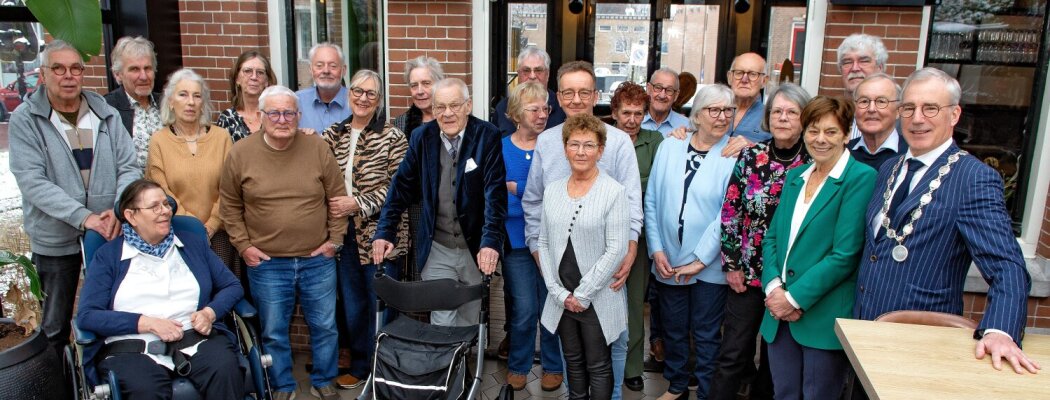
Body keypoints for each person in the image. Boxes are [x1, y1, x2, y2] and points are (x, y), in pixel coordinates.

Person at [855, 68, 1039, 374]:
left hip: (921, 342)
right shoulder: (889, 168)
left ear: (954, 115)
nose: (917, 118)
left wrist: (1000, 330)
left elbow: (1007, 265)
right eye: (909, 108)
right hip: (864, 330)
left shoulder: (973, 179)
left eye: (930, 108)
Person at [9, 40, 140, 360]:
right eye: (59, 68)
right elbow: (32, 181)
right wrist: (83, 216)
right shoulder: (26, 119)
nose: (68, 76)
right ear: (43, 74)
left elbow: (129, 166)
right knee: (55, 324)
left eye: (76, 68)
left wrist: (117, 210)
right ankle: (58, 385)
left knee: (115, 308)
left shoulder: (104, 113)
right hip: (55, 238)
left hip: (108, 230)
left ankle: (106, 378)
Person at [219, 85, 348, 400]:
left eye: (289, 112)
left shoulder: (317, 149)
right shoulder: (240, 153)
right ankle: (282, 385)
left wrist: (334, 240)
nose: (282, 119)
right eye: (274, 113)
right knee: (274, 332)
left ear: (298, 115)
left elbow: (337, 198)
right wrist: (244, 246)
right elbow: (229, 207)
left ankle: (323, 379)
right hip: (267, 263)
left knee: (325, 327)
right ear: (261, 117)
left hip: (317, 259)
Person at [522, 60, 641, 396]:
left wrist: (630, 248)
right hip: (560, 267)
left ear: (595, 94)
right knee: (570, 343)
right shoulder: (547, 142)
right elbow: (533, 201)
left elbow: (632, 200)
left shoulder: (617, 142)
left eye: (583, 92)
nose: (576, 99)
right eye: (568, 92)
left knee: (612, 339)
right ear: (558, 97)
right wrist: (537, 250)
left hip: (607, 262)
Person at [76, 180, 245, 399]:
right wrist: (147, 323)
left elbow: (232, 286)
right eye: (154, 207)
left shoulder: (192, 244)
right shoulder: (108, 256)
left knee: (224, 369)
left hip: (195, 337)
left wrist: (209, 313)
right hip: (134, 347)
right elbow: (88, 316)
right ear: (131, 215)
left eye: (166, 204)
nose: (165, 211)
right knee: (145, 389)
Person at [759, 96, 876, 400]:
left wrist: (794, 299)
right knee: (783, 393)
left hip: (821, 315)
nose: (820, 139)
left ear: (847, 134)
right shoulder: (795, 176)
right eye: (813, 130)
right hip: (778, 313)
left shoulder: (860, 178)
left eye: (831, 131)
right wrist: (774, 289)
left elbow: (845, 254)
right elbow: (771, 238)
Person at [372, 78, 507, 327]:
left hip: (473, 248)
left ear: (468, 106)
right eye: (440, 107)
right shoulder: (422, 137)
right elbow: (400, 187)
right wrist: (385, 231)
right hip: (437, 248)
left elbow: (494, 195)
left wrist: (490, 243)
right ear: (432, 110)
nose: (447, 113)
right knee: (443, 321)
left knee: (469, 322)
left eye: (454, 105)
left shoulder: (486, 135)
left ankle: (462, 366)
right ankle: (445, 367)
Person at [710, 83, 813, 400]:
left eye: (791, 112)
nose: (783, 118)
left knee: (775, 359)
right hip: (749, 273)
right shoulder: (752, 156)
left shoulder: (814, 163)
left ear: (804, 118)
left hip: (790, 278)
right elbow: (730, 211)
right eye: (777, 111)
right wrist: (731, 264)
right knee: (733, 351)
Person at [645, 84, 739, 400]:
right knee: (672, 329)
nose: (723, 116)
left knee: (707, 333)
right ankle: (676, 386)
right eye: (714, 110)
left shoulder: (735, 154)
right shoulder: (670, 146)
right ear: (697, 115)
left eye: (728, 110)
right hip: (669, 260)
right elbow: (652, 201)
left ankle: (706, 392)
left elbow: (728, 213)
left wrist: (700, 259)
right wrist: (656, 249)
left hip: (709, 266)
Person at [320, 69, 410, 389]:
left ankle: (386, 370)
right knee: (354, 304)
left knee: (382, 306)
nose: (363, 98)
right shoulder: (332, 134)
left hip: (381, 236)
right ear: (348, 94)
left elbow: (397, 187)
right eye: (358, 91)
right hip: (344, 235)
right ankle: (360, 366)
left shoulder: (392, 137)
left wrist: (357, 203)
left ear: (379, 101)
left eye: (371, 94)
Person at [538, 113, 629, 400]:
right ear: (564, 148)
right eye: (574, 144)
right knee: (573, 363)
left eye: (589, 145)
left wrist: (583, 294)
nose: (581, 151)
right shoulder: (552, 191)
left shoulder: (614, 192)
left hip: (596, 297)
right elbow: (543, 242)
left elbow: (617, 249)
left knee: (599, 365)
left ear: (600, 151)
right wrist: (558, 292)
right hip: (562, 297)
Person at [501, 82, 564, 391]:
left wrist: (520, 188)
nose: (542, 115)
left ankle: (554, 366)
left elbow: (558, 191)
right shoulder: (501, 148)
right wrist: (525, 191)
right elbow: (499, 197)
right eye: (534, 109)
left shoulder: (554, 145)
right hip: (516, 241)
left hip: (553, 240)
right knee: (524, 309)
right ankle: (519, 365)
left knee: (552, 305)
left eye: (545, 109)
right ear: (515, 113)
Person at [146, 68, 235, 267]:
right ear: (170, 101)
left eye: (197, 96)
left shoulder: (221, 137)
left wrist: (211, 225)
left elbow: (230, 188)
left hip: (219, 233)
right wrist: (194, 228)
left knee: (222, 291)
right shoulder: (159, 141)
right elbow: (162, 192)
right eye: (183, 95)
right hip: (176, 232)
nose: (191, 102)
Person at [609, 81, 662, 392]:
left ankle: (631, 366)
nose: (631, 119)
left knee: (634, 302)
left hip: (637, 234)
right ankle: (603, 362)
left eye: (638, 113)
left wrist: (628, 184)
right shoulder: (604, 137)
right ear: (614, 112)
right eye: (626, 112)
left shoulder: (654, 140)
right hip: (602, 231)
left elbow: (654, 184)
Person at [103, 36, 162, 170]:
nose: (143, 76)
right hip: (131, 187)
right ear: (118, 75)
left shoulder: (167, 103)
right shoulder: (107, 109)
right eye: (134, 69)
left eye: (147, 68)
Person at [492, 46, 567, 136]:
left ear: (547, 74)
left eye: (538, 70)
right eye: (526, 70)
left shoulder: (562, 107)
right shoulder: (503, 107)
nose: (532, 76)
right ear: (518, 74)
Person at [848, 73, 907, 170]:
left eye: (881, 101)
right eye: (864, 101)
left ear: (898, 110)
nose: (871, 109)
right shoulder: (842, 153)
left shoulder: (911, 154)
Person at [217, 50, 276, 143]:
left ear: (266, 81)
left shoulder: (277, 115)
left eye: (260, 72)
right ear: (237, 79)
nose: (254, 77)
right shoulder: (227, 119)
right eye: (248, 71)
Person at [837, 33, 888, 140]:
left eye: (864, 61)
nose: (855, 68)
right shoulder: (834, 115)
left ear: (880, 68)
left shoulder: (895, 118)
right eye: (847, 62)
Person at [296, 43, 350, 133]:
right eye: (319, 66)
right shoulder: (297, 101)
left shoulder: (356, 102)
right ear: (310, 69)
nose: (326, 71)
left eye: (333, 66)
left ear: (343, 70)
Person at [392, 55, 445, 137]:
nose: (420, 91)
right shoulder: (401, 124)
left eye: (426, 83)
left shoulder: (454, 118)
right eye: (414, 85)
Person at [727, 53, 771, 143]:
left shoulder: (772, 117)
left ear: (764, 81)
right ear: (729, 77)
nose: (744, 80)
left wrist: (753, 149)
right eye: (739, 73)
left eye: (753, 74)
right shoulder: (711, 110)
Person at [641, 67, 689, 136]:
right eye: (658, 87)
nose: (662, 96)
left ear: (676, 95)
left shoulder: (686, 126)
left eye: (669, 90)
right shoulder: (633, 121)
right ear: (648, 89)